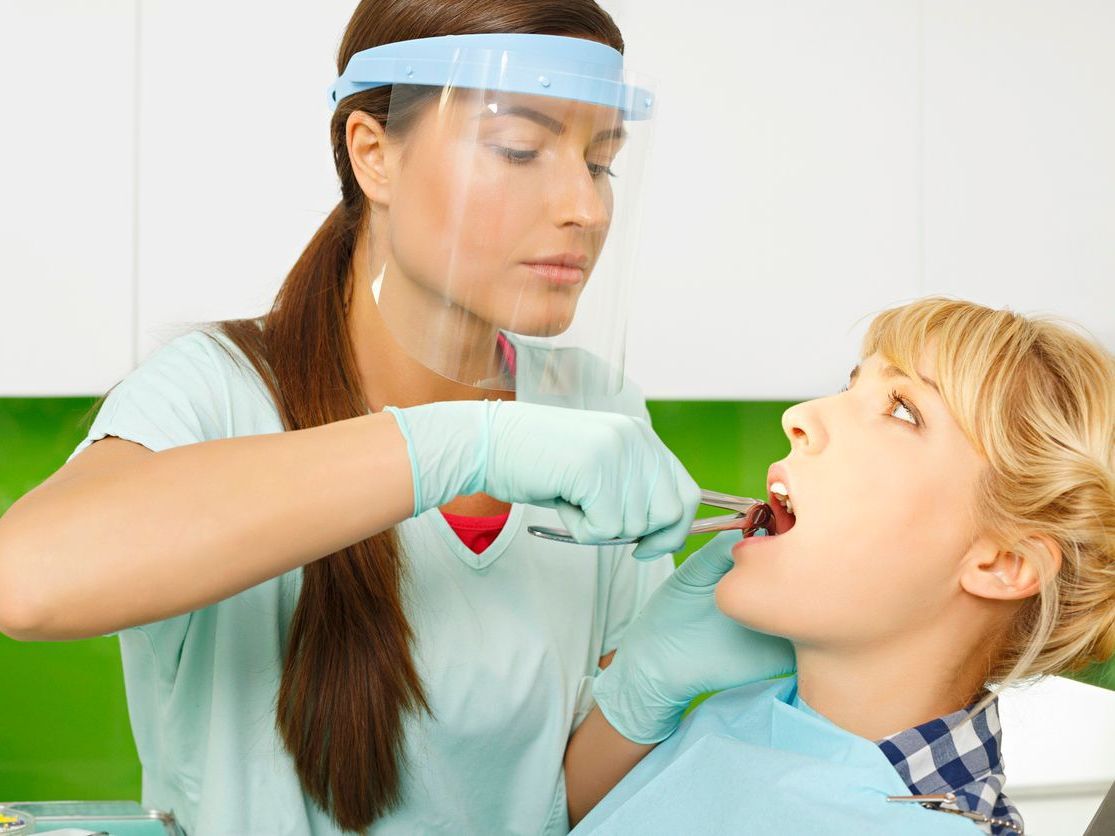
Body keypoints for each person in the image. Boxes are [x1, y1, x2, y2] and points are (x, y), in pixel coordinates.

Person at [0, 2, 793, 833]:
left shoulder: (596, 407)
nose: (584, 209)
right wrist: (457, 444)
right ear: (373, 155)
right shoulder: (220, 391)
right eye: (519, 149)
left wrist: (644, 687)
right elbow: (29, 580)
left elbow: (549, 804)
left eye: (599, 163)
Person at [570, 298, 1115, 835]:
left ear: (1005, 562)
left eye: (903, 409)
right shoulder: (730, 721)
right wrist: (639, 694)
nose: (799, 416)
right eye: (849, 386)